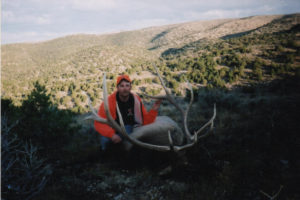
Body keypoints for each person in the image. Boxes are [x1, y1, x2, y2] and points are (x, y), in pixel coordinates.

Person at [94, 74, 162, 150]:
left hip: (127, 128)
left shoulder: (136, 100)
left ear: (130, 87)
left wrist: (154, 109)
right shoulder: (109, 102)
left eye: (127, 85)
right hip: (111, 128)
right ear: (117, 88)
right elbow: (98, 123)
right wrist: (112, 135)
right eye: (122, 86)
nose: (125, 88)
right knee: (105, 140)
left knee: (127, 137)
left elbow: (144, 120)